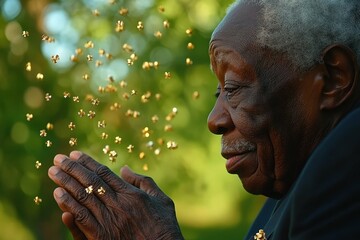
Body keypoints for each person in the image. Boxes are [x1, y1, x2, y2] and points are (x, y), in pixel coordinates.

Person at [48, 0, 360, 239]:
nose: (214, 121)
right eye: (218, 94)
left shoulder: (346, 158)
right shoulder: (288, 190)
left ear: (333, 78)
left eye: (234, 88)